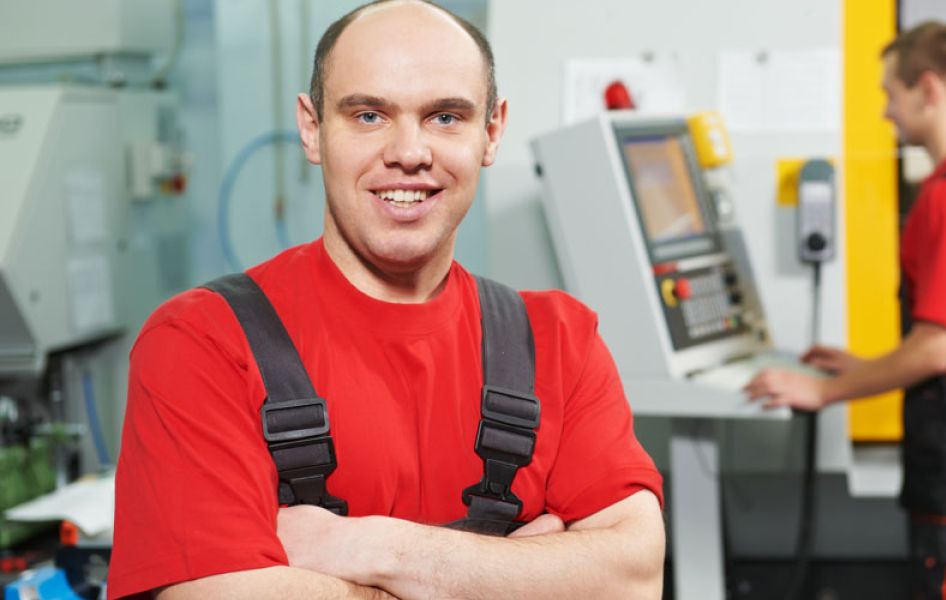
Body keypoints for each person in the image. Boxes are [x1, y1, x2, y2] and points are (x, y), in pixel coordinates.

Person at [107, 2, 665, 598]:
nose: (409, 152)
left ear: (492, 132)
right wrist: (520, 573)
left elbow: (632, 578)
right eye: (369, 114)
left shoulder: (557, 340)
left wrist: (373, 550)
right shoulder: (203, 343)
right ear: (312, 127)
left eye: (445, 117)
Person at [745, 21, 946, 599]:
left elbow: (939, 349)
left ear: (928, 89)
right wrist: (862, 367)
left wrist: (825, 391)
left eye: (891, 93)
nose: (886, 112)